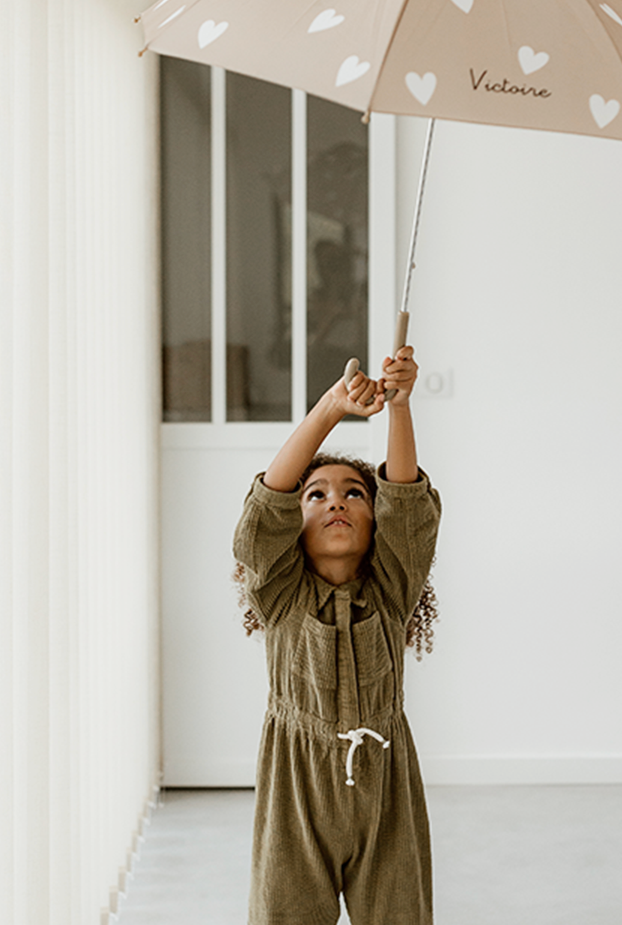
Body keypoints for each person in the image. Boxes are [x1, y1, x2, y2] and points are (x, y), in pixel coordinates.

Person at [233, 345, 441, 925]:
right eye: (316, 495)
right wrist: (330, 408)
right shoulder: (278, 594)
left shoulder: (392, 589)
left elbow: (408, 505)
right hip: (294, 789)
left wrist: (399, 407)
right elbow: (264, 509)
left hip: (387, 784)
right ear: (294, 527)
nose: (337, 503)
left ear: (376, 522)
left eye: (355, 492)